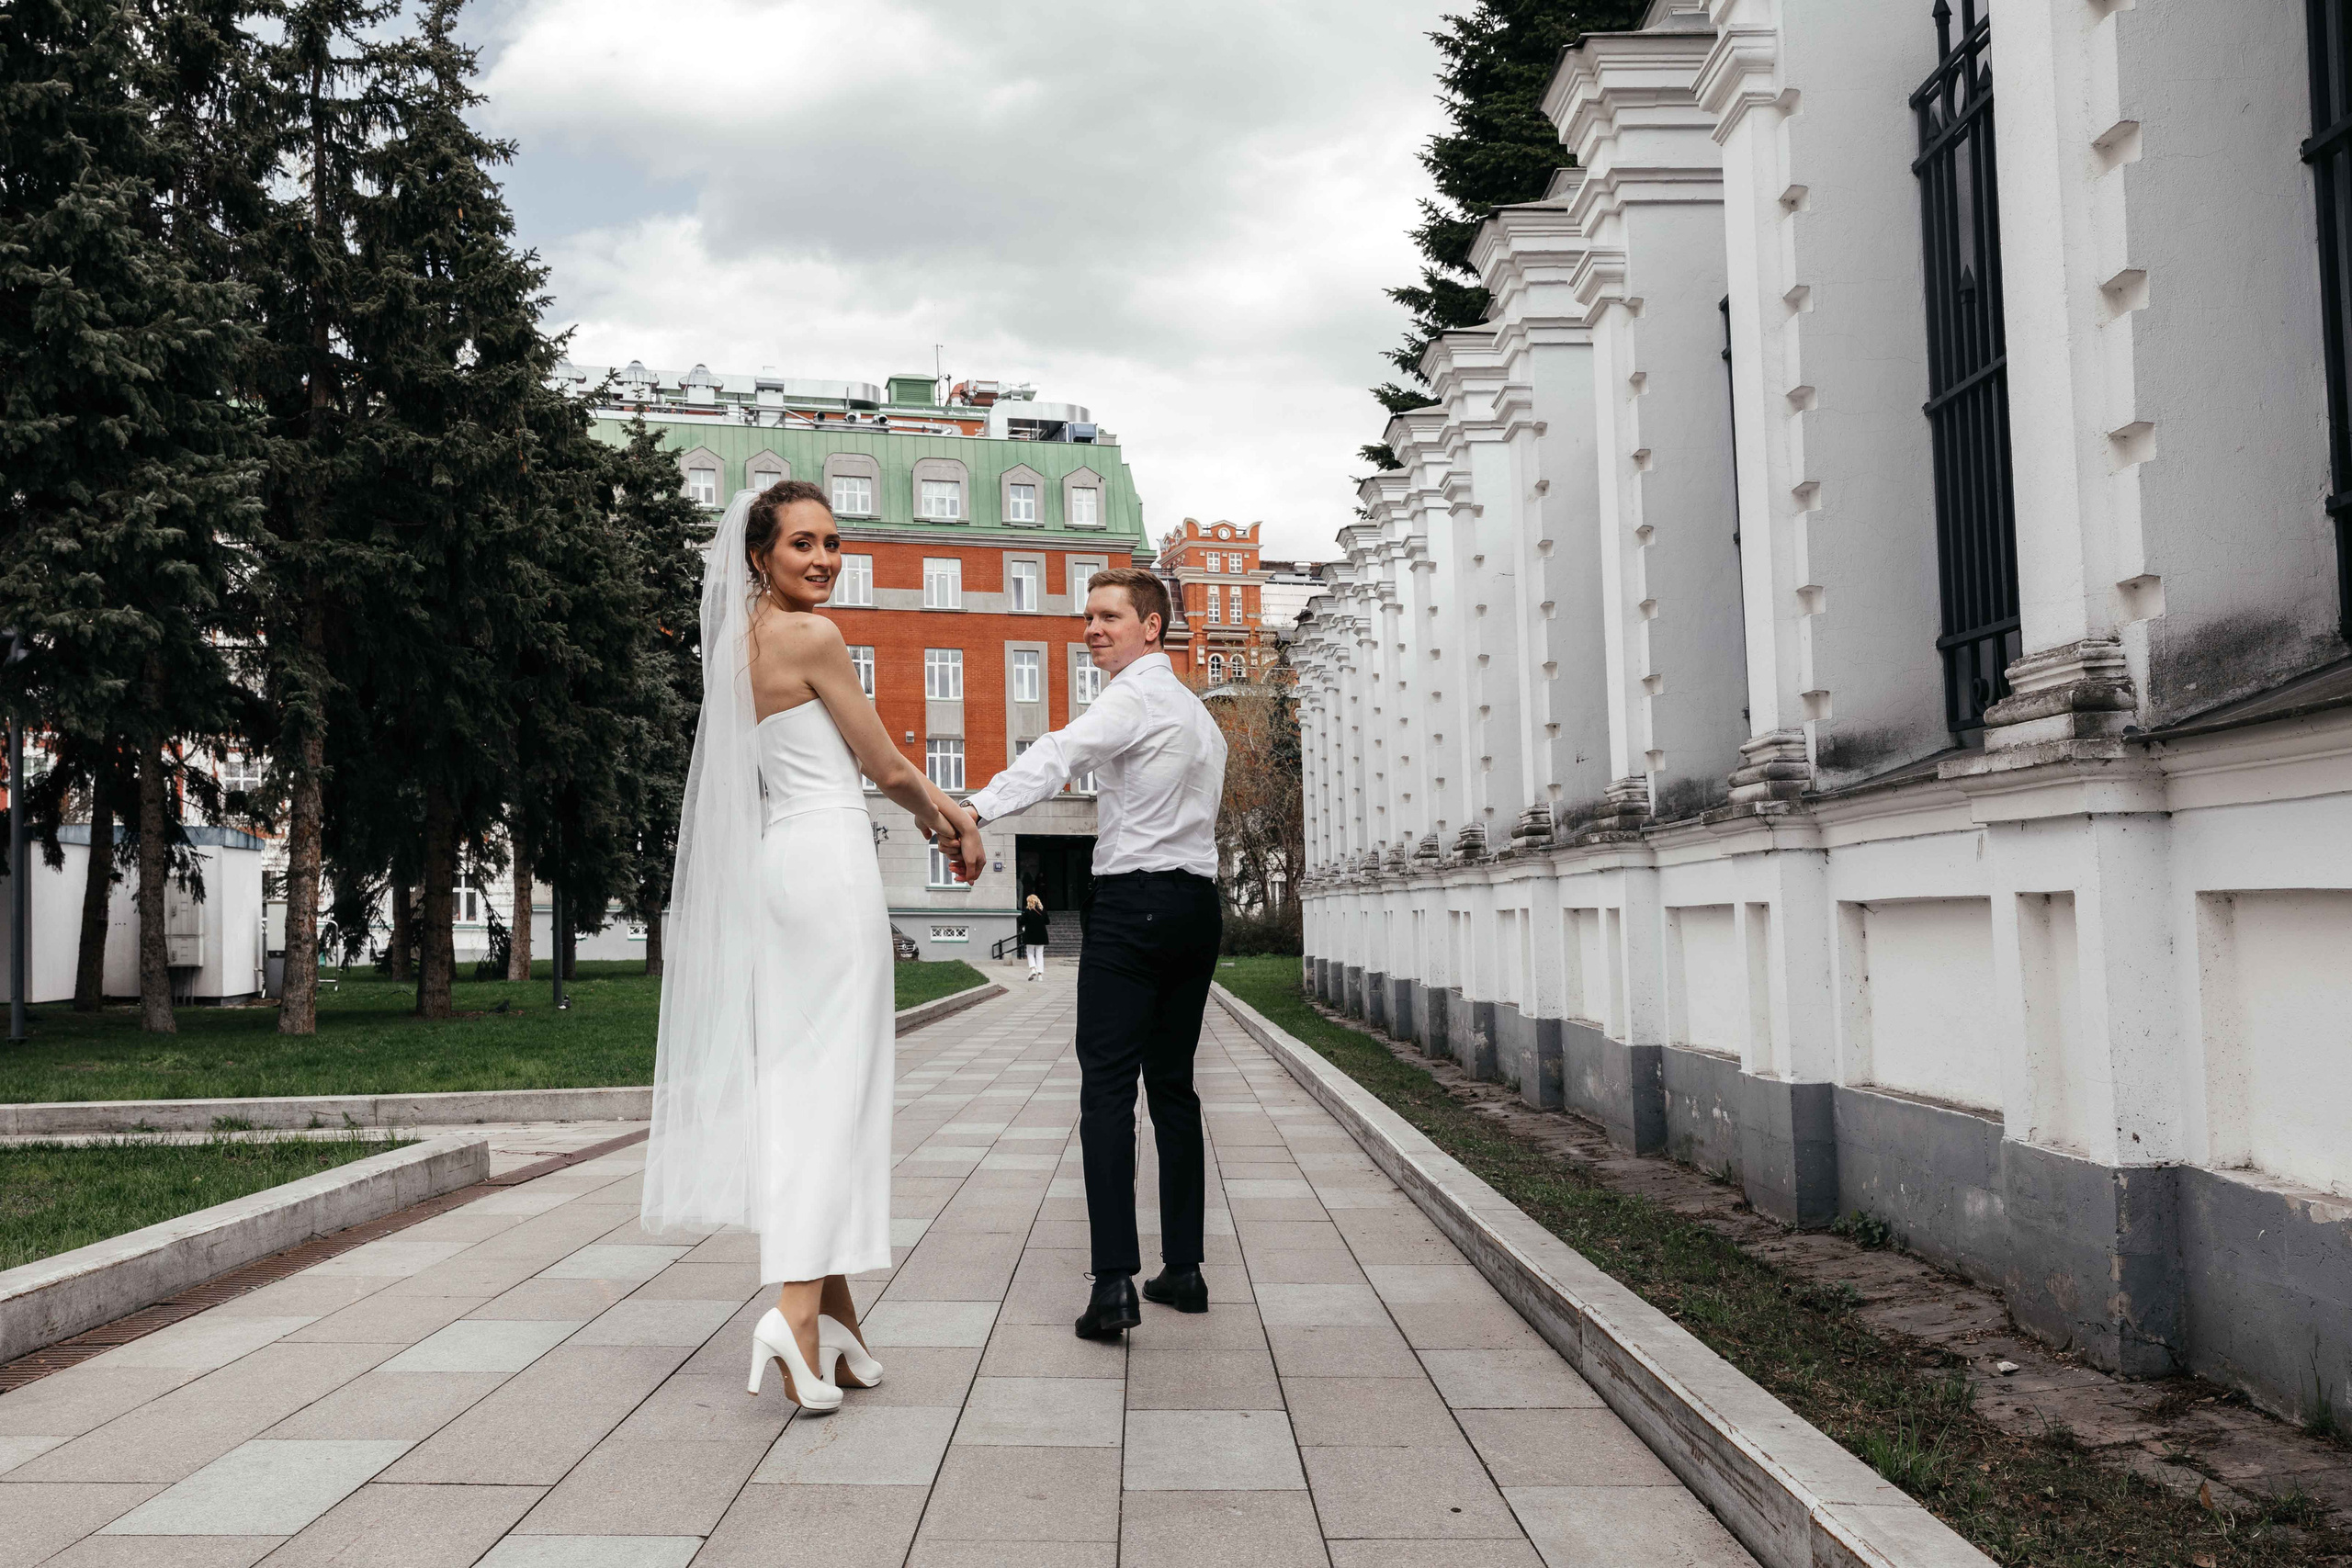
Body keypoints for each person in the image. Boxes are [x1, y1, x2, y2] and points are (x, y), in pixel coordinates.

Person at [639, 479, 982, 1414]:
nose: (824, 559)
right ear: (760, 556)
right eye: (802, 544)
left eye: (832, 542)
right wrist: (954, 820)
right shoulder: (813, 638)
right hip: (828, 866)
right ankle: (792, 1313)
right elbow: (887, 765)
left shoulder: (738, 641)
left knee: (804, 1079)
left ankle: (839, 1327)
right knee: (837, 1089)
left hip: (778, 868)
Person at [962, 567, 1227, 1338]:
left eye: (1110, 615)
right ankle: (1184, 1267)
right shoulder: (1197, 716)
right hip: (1196, 908)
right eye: (1088, 617)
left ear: (1152, 627)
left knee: (1107, 1090)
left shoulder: (1133, 696)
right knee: (1173, 1087)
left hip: (1134, 906)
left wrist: (974, 805)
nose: (1093, 629)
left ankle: (1114, 1283)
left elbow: (1059, 753)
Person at [1018, 894, 1050, 980]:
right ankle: (1040, 974)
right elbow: (1047, 921)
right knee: (1040, 954)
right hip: (1041, 935)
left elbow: (1021, 921)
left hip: (1030, 935)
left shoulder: (1027, 911)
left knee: (1030, 952)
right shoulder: (1042, 911)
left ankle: (1032, 968)